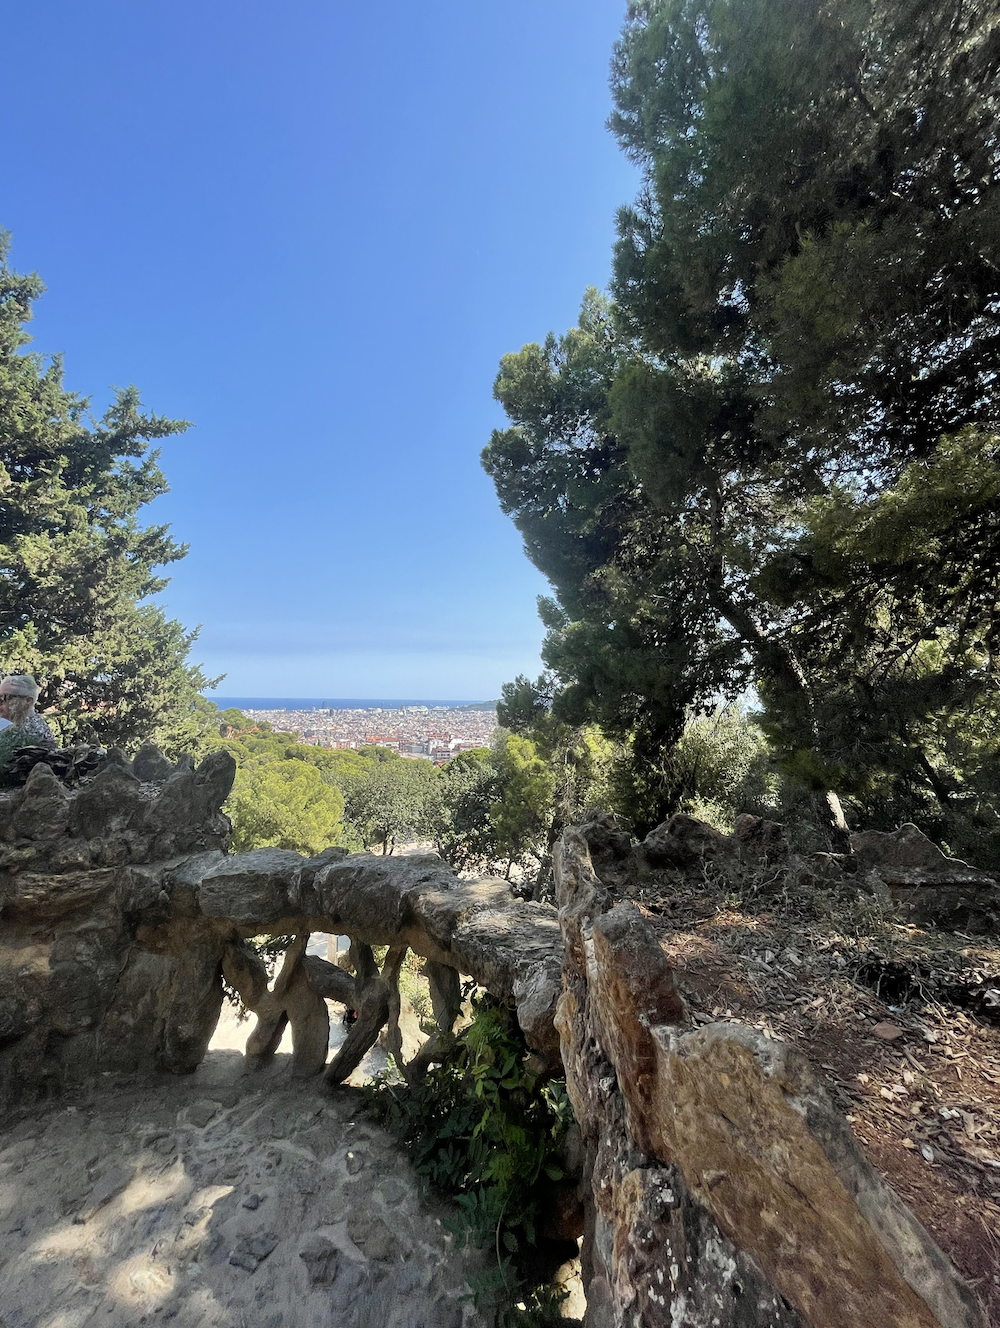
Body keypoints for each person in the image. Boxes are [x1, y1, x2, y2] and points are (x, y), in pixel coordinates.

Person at [0, 674, 57, 777]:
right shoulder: (17, 728)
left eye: (5, 697)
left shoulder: (32, 732)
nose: (0, 703)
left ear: (27, 701)